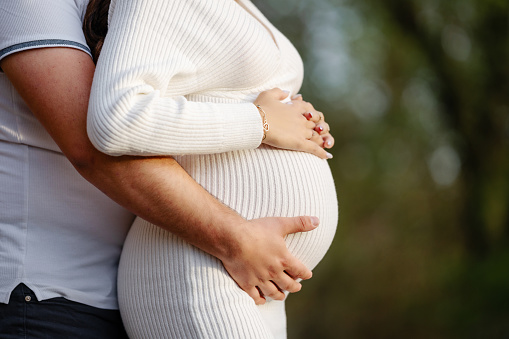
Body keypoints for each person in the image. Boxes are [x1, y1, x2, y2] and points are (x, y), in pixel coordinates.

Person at [0, 0, 334, 337]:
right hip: (44, 296)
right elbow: (92, 145)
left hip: (128, 284)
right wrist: (237, 237)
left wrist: (295, 121)